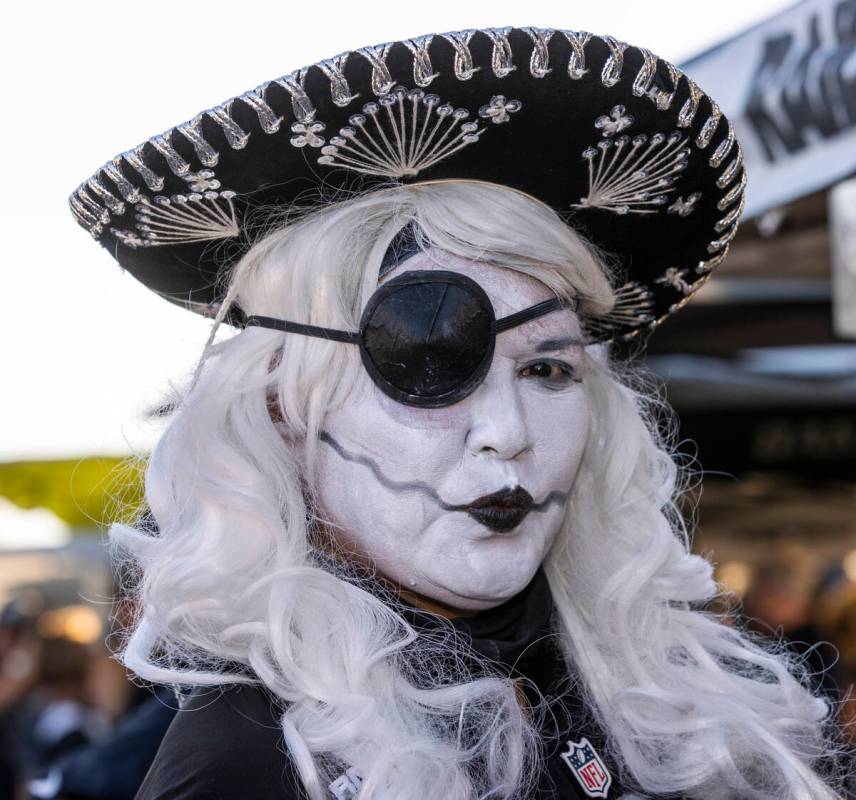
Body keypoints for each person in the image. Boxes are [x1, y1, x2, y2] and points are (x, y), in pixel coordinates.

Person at [70, 26, 848, 800]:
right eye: (428, 361)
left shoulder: (671, 710)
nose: (507, 434)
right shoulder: (250, 765)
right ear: (284, 410)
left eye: (547, 369)